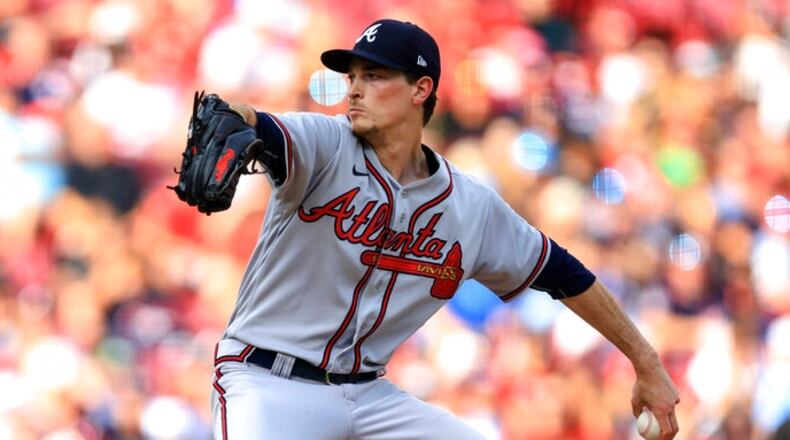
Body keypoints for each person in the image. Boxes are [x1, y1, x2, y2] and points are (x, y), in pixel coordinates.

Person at [210, 18, 680, 439]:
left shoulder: (468, 205)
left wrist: (646, 361)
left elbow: (565, 275)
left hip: (369, 396)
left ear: (420, 90)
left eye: (373, 76)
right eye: (352, 77)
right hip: (268, 380)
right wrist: (236, 120)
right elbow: (258, 125)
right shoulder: (326, 144)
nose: (353, 90)